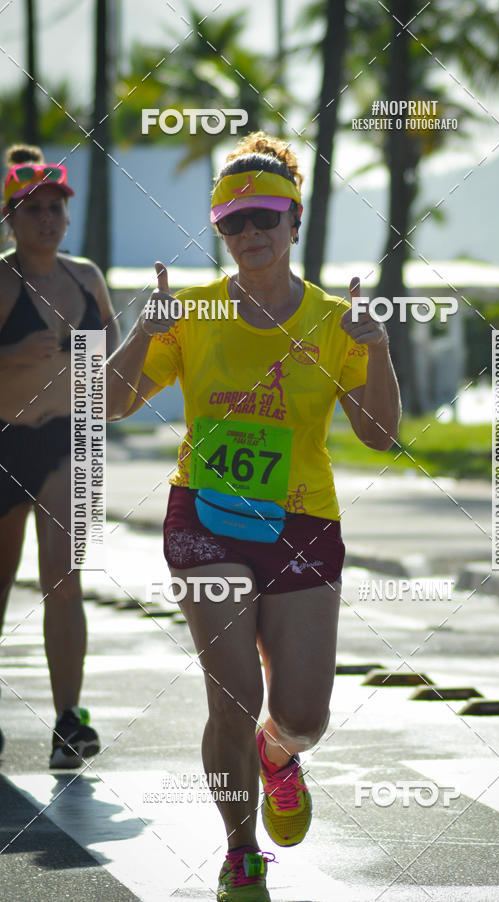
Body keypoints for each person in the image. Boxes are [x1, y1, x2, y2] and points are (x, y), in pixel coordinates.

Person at [106, 131, 400, 901]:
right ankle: (241, 851)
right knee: (230, 697)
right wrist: (144, 329)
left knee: (302, 713)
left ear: (295, 221)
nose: (251, 234)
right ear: (220, 232)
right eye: (234, 222)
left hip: (302, 522)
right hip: (206, 519)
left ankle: (281, 752)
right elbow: (102, 405)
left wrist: (382, 354)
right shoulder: (191, 312)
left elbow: (380, 436)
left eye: (266, 216)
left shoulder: (340, 321)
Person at [0, 145, 120, 767]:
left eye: (55, 208)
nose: (47, 218)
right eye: (32, 209)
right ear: (11, 218)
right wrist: (14, 358)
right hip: (5, 439)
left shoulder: (86, 278)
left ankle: (68, 720)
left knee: (64, 583)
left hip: (68, 441)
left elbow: (115, 367)